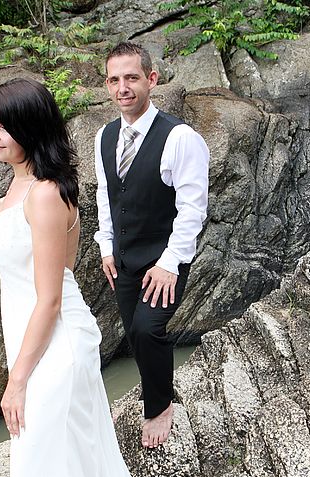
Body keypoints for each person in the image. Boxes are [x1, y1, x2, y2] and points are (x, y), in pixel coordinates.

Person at [0, 77, 310, 477]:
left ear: (28, 126)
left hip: (54, 349)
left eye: (1, 124)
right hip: (42, 338)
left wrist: (16, 379)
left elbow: (49, 296)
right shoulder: (19, 193)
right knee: (54, 472)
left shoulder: (44, 196)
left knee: (44, 474)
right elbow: (59, 278)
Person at [94, 41, 210, 449]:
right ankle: (152, 385)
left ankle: (160, 406)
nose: (122, 87)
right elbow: (107, 196)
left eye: (131, 77)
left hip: (166, 260)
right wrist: (106, 246)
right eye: (114, 80)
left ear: (151, 79)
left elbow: (192, 210)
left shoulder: (180, 138)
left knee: (148, 329)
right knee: (133, 332)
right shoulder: (104, 136)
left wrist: (170, 264)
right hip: (123, 258)